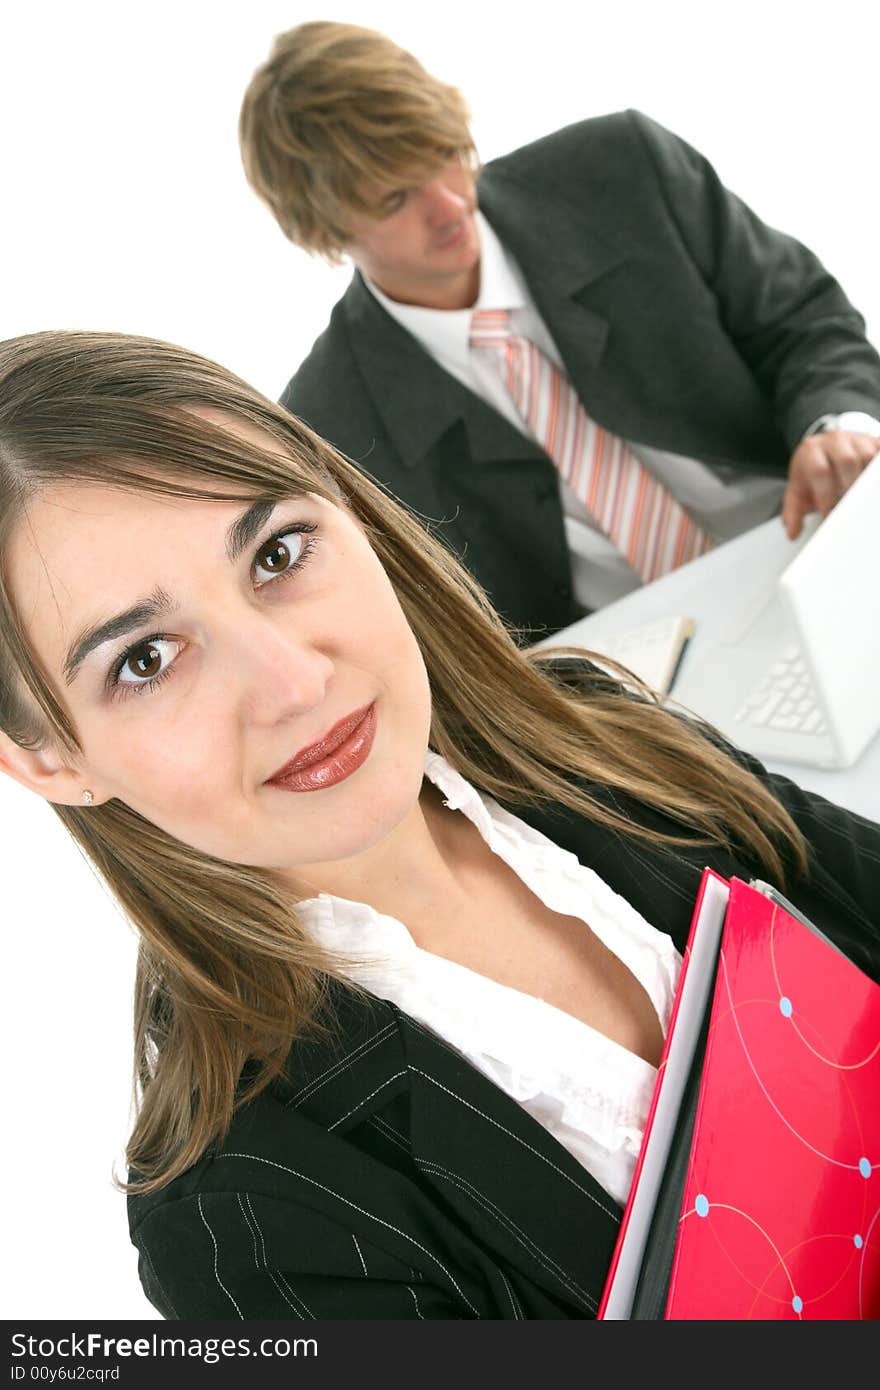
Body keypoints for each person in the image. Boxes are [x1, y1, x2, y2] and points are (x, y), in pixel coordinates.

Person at [1, 328, 878, 1321]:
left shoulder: (593, 730)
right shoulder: (246, 1233)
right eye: (146, 659)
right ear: (47, 758)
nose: (295, 682)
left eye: (277, 552)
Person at [239, 20, 880, 637]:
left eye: (443, 153)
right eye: (395, 199)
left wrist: (838, 426)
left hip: (818, 540)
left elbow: (803, 320)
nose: (450, 203)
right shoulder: (330, 425)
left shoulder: (622, 169)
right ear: (322, 231)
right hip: (631, 686)